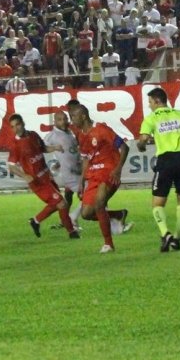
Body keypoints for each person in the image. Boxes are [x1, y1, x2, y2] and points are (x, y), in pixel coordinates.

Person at [137, 87, 180, 252]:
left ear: (157, 101)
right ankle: (176, 236)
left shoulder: (151, 118)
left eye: (150, 102)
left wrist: (141, 146)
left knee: (157, 203)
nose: (150, 106)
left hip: (165, 160)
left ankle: (165, 233)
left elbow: (143, 139)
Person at [68, 102, 131, 253]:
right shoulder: (81, 136)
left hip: (108, 172)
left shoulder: (101, 130)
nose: (72, 121)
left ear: (83, 116)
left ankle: (108, 244)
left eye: (73, 117)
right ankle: (117, 214)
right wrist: (82, 181)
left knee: (99, 203)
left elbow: (124, 147)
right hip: (93, 175)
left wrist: (117, 169)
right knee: (86, 214)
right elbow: (85, 159)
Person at [6, 114, 79, 239]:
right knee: (62, 203)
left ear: (23, 123)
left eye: (17, 124)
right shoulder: (15, 144)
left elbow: (43, 148)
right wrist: (25, 176)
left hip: (47, 176)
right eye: (13, 127)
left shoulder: (33, 135)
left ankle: (35, 221)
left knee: (58, 203)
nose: (16, 128)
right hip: (37, 181)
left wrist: (55, 147)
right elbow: (11, 166)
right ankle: (72, 232)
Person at [44, 111, 84, 230]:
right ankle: (72, 218)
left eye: (65, 119)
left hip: (77, 171)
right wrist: (54, 148)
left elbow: (72, 152)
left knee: (91, 195)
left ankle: (70, 221)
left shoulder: (70, 133)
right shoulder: (52, 135)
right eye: (60, 119)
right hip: (68, 173)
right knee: (91, 195)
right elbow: (41, 147)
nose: (63, 122)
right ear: (54, 122)